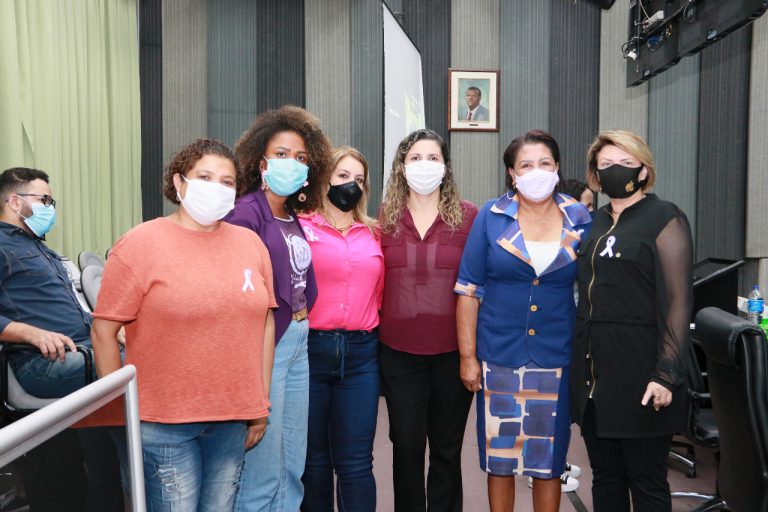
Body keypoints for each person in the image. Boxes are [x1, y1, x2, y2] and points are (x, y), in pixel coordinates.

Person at [91, 139, 277, 511]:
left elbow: (265, 323)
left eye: (226, 181)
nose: (216, 187)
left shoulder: (251, 244)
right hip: (162, 421)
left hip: (232, 416)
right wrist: (119, 410)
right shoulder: (140, 244)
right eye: (204, 177)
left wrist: (260, 401)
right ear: (179, 183)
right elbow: (103, 330)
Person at [455, 130, 592, 512]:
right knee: (500, 461)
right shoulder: (492, 216)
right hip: (499, 356)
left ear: (558, 168)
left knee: (548, 463)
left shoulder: (580, 219)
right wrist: (468, 357)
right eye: (526, 165)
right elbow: (468, 290)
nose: (537, 171)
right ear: (512, 174)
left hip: (555, 357)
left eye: (545, 163)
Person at [570, 130, 693, 512]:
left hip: (642, 375)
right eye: (605, 164)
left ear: (643, 170)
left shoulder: (665, 218)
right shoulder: (595, 221)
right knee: (605, 477)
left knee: (646, 480)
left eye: (625, 162)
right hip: (595, 377)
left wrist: (666, 375)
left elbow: (678, 302)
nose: (614, 170)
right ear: (594, 173)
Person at [224, 105, 332, 511]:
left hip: (298, 339)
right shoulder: (244, 213)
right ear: (261, 161)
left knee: (292, 460)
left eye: (301, 157)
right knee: (263, 466)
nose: (293, 163)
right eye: (282, 154)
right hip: (266, 341)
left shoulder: (289, 213)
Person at [0, 166, 123, 511]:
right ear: (15, 202)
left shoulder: (42, 250)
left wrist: (112, 329)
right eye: (44, 200)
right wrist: (28, 332)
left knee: (106, 457)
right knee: (140, 369)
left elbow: (77, 312)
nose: (50, 208)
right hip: (41, 362)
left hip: (80, 353)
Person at [378, 128, 477, 511]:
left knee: (447, 449)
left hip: (452, 352)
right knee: (405, 446)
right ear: (401, 167)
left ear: (446, 167)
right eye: (415, 158)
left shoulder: (469, 217)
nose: (424, 165)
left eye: (433, 158)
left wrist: (472, 354)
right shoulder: (383, 220)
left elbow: (479, 284)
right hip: (398, 353)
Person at [298, 146, 383, 511]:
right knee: (314, 461)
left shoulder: (374, 233)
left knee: (356, 462)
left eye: (359, 179)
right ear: (324, 179)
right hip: (308, 352)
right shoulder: (301, 226)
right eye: (343, 176)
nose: (352, 184)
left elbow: (381, 293)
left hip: (361, 356)